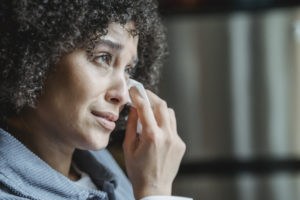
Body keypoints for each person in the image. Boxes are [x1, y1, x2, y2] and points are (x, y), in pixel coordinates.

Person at [0, 0, 190, 199]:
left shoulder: (97, 165)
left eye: (128, 70)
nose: (123, 95)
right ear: (37, 55)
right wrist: (155, 192)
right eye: (103, 57)